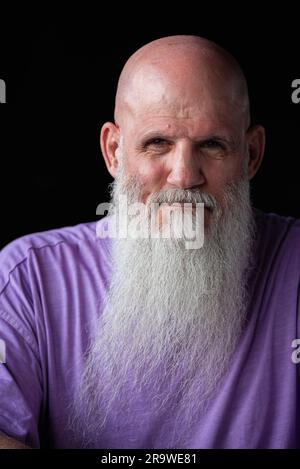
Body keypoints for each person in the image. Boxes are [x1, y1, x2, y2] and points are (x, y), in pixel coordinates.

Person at [0, 35, 299, 449]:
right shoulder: (27, 280)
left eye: (212, 145)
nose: (183, 176)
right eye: (158, 143)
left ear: (251, 155)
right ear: (114, 151)